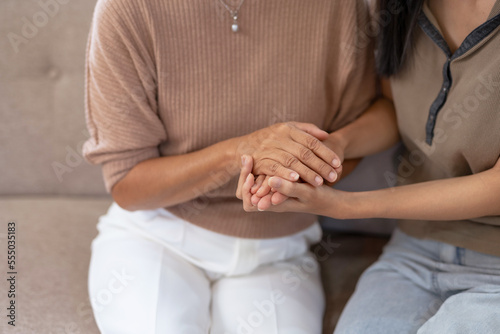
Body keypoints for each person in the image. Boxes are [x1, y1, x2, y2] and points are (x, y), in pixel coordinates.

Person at [82, 0, 380, 332]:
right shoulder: (128, 9)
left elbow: (352, 138)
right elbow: (128, 185)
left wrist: (299, 174)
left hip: (279, 250)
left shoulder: (340, 8)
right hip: (157, 237)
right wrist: (239, 154)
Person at [238, 0, 500, 333]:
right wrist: (332, 147)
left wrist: (348, 206)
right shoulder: (398, 7)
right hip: (415, 249)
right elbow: (396, 107)